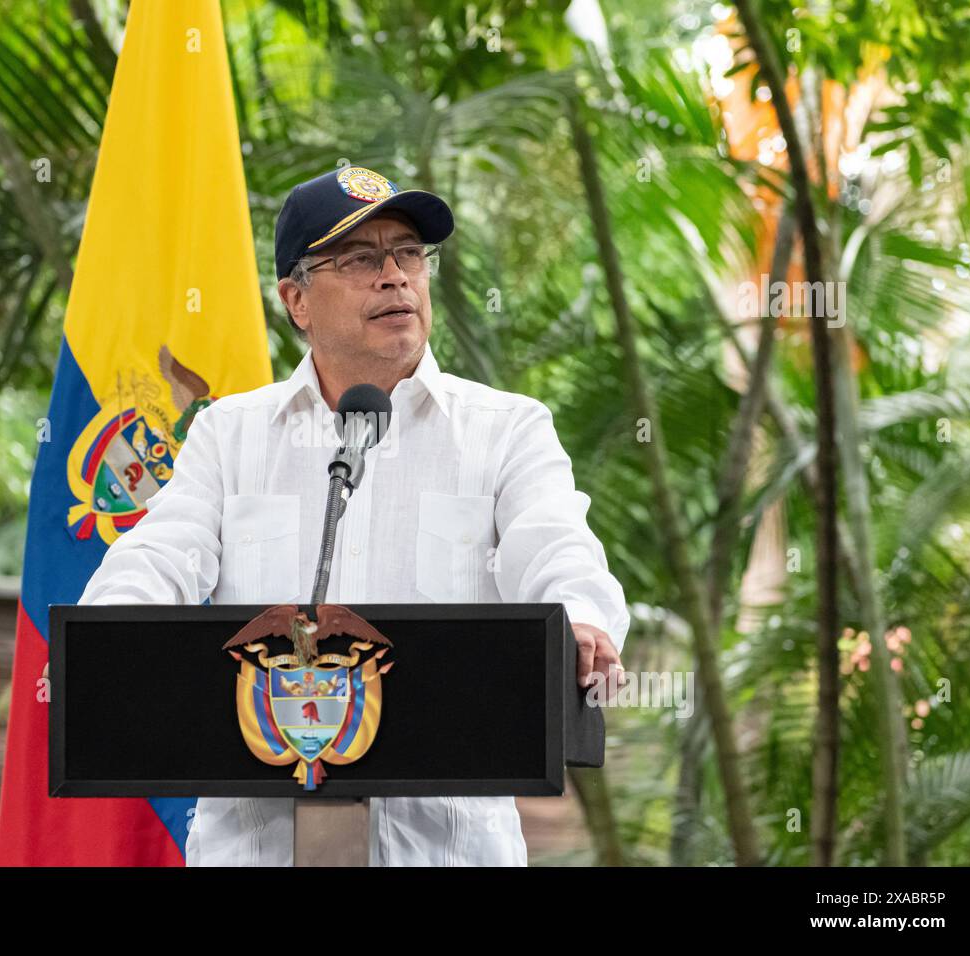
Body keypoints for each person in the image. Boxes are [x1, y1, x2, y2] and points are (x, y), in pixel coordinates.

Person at [79, 165, 630, 866]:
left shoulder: (506, 429)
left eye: (408, 253)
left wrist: (579, 616)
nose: (395, 276)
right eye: (361, 258)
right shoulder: (229, 435)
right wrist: (109, 634)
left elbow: (555, 546)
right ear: (296, 300)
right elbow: (159, 554)